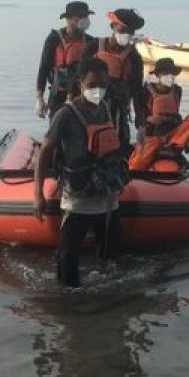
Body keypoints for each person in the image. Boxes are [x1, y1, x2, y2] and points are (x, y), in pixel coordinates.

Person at [34, 58, 129, 288]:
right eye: (92, 85)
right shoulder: (65, 115)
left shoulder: (107, 109)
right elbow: (45, 152)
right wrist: (38, 194)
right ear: (80, 85)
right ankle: (69, 307)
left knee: (111, 261)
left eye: (103, 85)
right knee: (67, 265)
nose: (98, 90)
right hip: (78, 200)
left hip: (107, 198)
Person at [128, 57, 189, 171]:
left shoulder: (177, 91)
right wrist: (149, 120)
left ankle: (173, 148)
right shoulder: (144, 92)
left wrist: (171, 120)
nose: (170, 77)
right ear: (158, 75)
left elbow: (177, 116)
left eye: (172, 74)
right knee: (136, 166)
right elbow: (139, 120)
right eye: (166, 73)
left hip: (172, 134)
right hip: (153, 136)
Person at [89, 8, 146, 147]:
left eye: (130, 32)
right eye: (123, 30)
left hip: (120, 110)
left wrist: (141, 123)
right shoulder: (93, 47)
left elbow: (137, 90)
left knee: (120, 143)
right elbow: (78, 77)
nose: (126, 34)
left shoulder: (134, 57)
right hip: (93, 108)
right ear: (113, 27)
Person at [35, 1, 98, 120]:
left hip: (83, 96)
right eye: (80, 16)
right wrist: (39, 98)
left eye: (86, 16)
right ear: (68, 19)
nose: (84, 19)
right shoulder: (53, 39)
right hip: (59, 95)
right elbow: (43, 68)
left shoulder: (91, 42)